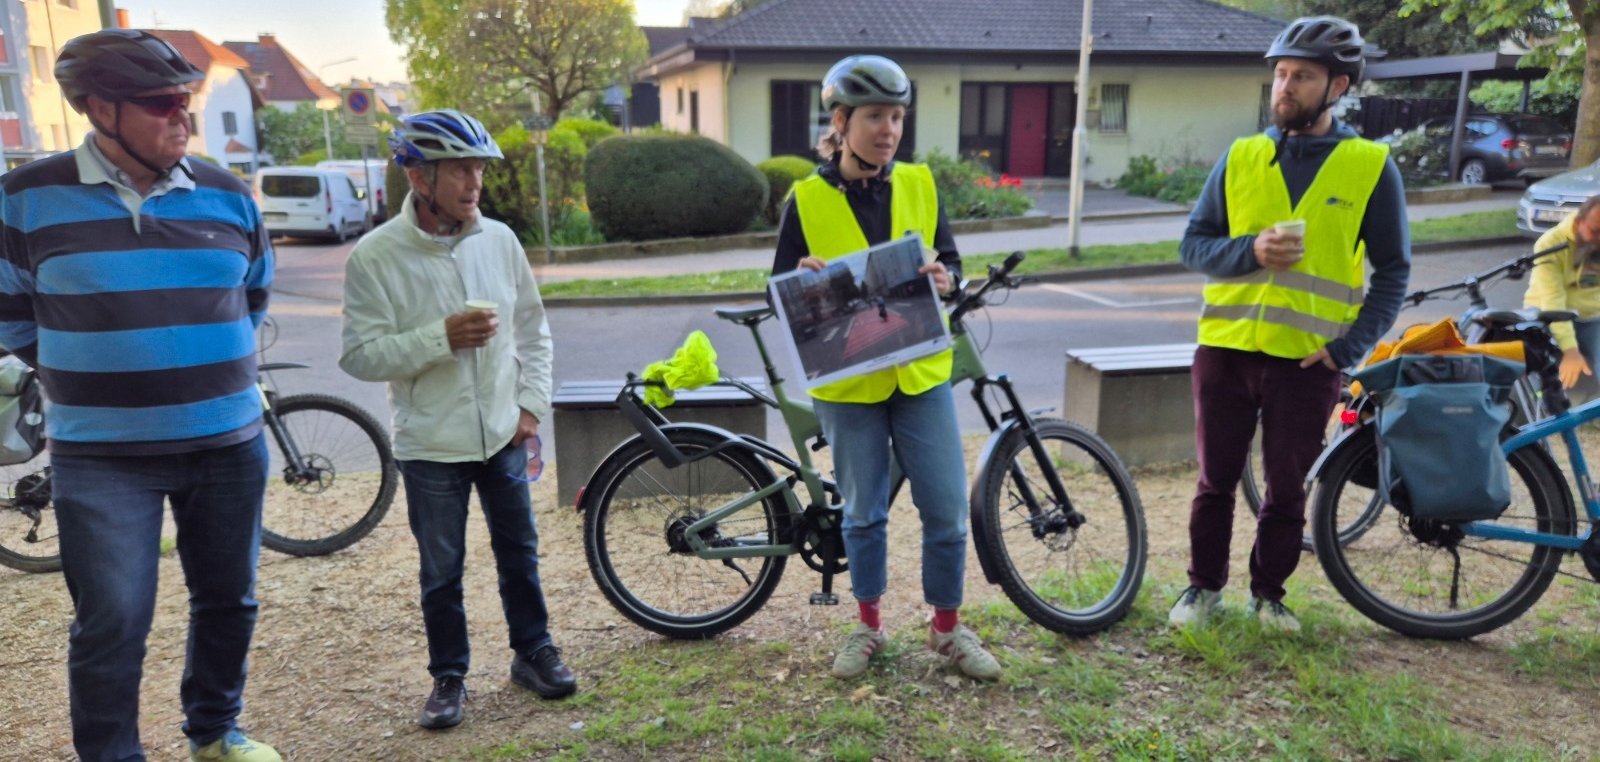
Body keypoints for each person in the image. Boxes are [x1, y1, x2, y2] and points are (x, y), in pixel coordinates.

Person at [0, 29, 277, 762]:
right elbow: (10, 312)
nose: (181, 117)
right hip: (103, 457)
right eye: (162, 104)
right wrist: (87, 372)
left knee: (229, 602)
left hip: (228, 443)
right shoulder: (25, 199)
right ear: (101, 108)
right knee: (113, 619)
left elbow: (251, 297)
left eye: (184, 102)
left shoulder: (226, 193)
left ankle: (215, 732)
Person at [1172, 16, 1411, 632]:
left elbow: (1392, 272)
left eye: (1301, 76)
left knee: (1285, 491)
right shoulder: (1243, 155)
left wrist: (1349, 348)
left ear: (1338, 86)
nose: (1284, 87)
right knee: (1213, 483)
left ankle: (1268, 595)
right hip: (1225, 349)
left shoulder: (1370, 166)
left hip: (1308, 362)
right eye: (1280, 74)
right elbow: (1194, 244)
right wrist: (1248, 252)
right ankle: (1202, 591)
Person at [339, 109, 576, 731]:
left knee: (519, 552)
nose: (474, 182)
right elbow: (359, 355)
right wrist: (439, 338)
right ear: (419, 177)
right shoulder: (375, 256)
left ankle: (533, 651)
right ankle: (449, 676)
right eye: (460, 170)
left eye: (478, 169)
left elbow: (535, 329)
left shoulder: (498, 239)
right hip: (429, 445)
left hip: (501, 431)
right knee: (440, 570)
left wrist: (531, 407)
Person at [771, 54, 999, 681]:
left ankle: (946, 630)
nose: (889, 129)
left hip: (921, 374)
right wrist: (801, 280)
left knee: (947, 508)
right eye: (875, 116)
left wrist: (944, 277)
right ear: (841, 121)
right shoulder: (806, 199)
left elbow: (948, 263)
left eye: (897, 117)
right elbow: (781, 288)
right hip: (850, 383)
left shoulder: (921, 185)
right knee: (864, 512)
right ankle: (868, 627)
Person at [1523, 195, 1600, 400]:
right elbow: (1553, 302)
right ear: (1578, 222)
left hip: (1593, 316)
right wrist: (1570, 350)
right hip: (1548, 316)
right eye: (1596, 232)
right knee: (1560, 377)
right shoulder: (1549, 244)